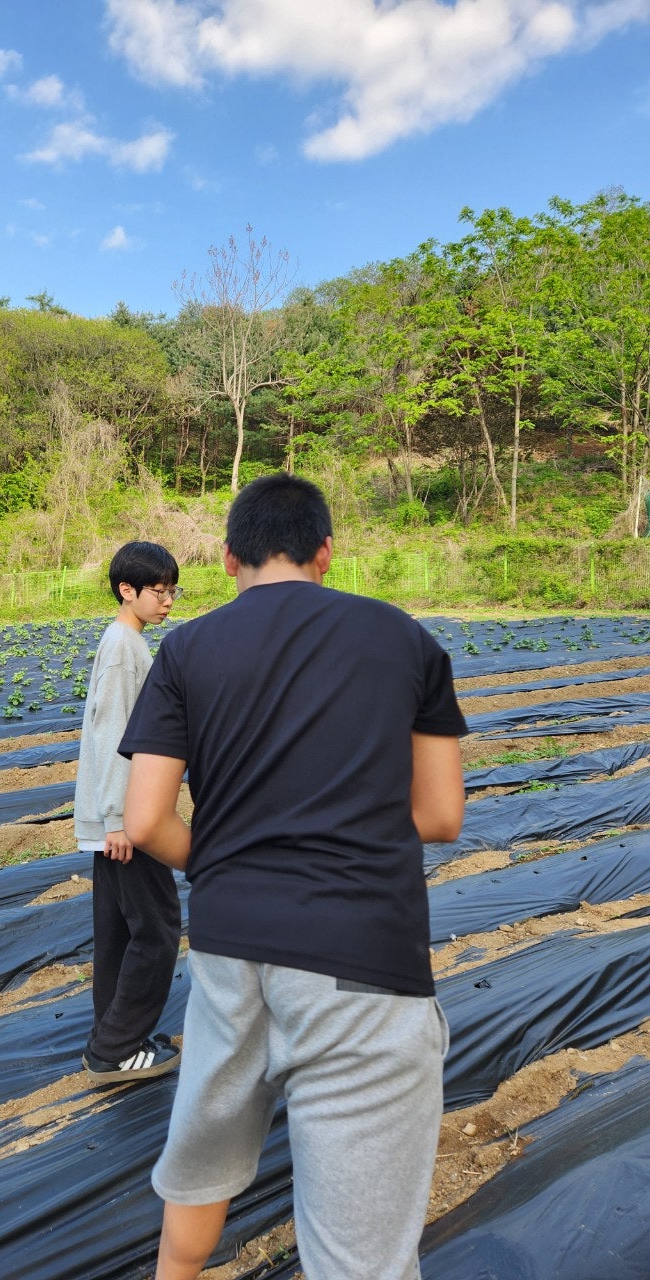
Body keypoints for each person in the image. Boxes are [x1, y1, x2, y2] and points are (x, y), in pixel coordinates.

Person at [119, 473, 467, 1280]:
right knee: (360, 1257)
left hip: (229, 951)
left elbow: (144, 823)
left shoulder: (188, 648)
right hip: (361, 960)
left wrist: (232, 858)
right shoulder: (403, 637)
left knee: (199, 1171)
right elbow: (442, 815)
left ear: (231, 559)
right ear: (326, 554)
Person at [76, 541, 185, 1086]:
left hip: (118, 817)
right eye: (158, 590)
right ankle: (114, 1050)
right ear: (128, 590)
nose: (168, 600)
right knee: (158, 929)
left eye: (172, 589)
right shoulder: (126, 648)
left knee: (118, 932)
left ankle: (113, 1036)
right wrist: (119, 820)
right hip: (129, 820)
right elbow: (114, 736)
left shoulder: (126, 641)